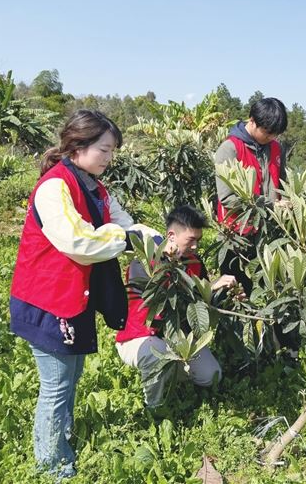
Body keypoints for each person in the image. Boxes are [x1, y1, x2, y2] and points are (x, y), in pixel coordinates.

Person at [10, 109, 159, 480]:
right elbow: (78, 242)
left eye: (112, 152)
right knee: (57, 384)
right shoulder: (54, 186)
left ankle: (63, 438)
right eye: (105, 150)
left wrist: (158, 239)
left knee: (70, 376)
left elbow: (124, 223)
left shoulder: (94, 186)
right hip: (47, 300)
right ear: (79, 146)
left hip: (73, 298)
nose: (109, 159)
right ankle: (52, 464)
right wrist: (126, 239)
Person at [115, 205, 236, 408]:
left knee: (211, 375)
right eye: (191, 240)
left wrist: (225, 294)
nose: (196, 246)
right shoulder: (145, 262)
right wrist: (170, 266)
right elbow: (159, 303)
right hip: (141, 337)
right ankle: (154, 407)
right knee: (157, 355)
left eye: (198, 239)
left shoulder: (193, 261)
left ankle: (172, 373)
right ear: (171, 236)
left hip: (178, 337)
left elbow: (202, 301)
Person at [214, 97, 288, 296]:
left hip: (268, 233)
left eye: (275, 134)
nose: (271, 137)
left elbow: (284, 185)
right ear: (252, 121)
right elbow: (227, 198)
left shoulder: (276, 148)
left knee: (273, 289)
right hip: (236, 236)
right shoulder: (229, 149)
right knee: (235, 292)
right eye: (267, 132)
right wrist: (271, 206)